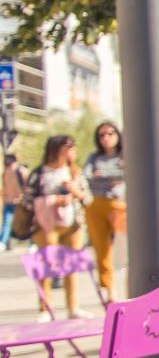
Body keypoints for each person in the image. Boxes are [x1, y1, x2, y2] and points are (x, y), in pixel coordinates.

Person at [30, 134, 90, 319]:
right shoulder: (40, 173)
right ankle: (44, 308)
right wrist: (52, 200)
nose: (72, 150)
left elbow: (88, 199)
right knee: (46, 266)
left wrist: (75, 192)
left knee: (71, 267)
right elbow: (27, 200)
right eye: (68, 146)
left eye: (73, 146)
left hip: (72, 225)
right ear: (55, 149)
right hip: (45, 226)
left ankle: (73, 307)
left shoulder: (75, 172)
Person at [84, 122, 126, 300]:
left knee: (124, 249)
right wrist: (112, 177)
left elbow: (128, 174)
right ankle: (110, 292)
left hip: (119, 206)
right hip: (97, 205)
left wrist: (103, 176)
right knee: (102, 250)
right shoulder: (94, 158)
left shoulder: (125, 155)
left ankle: (130, 287)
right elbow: (87, 177)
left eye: (110, 133)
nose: (106, 138)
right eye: (101, 135)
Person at [1, 153, 24, 251]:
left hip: (18, 201)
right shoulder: (7, 172)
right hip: (11, 201)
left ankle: (3, 242)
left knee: (24, 222)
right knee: (8, 222)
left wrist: (22, 197)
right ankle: (3, 242)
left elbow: (27, 186)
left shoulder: (19, 171)